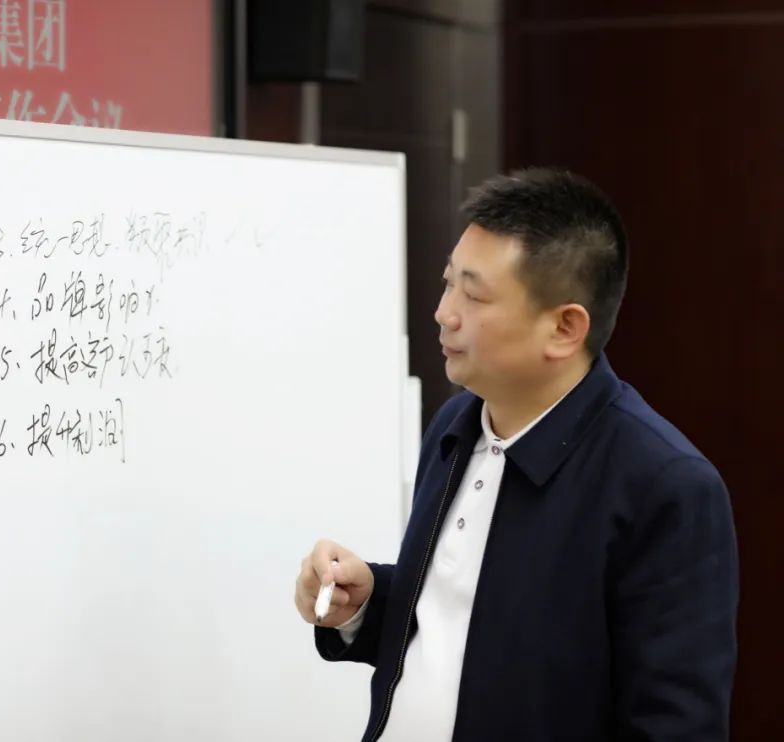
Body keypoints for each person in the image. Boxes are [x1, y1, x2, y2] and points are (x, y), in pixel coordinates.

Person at [295, 168, 739, 741]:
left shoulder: (665, 485)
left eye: (474, 294)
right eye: (448, 283)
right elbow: (461, 632)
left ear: (564, 328)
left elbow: (674, 724)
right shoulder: (457, 423)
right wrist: (366, 603)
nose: (444, 312)